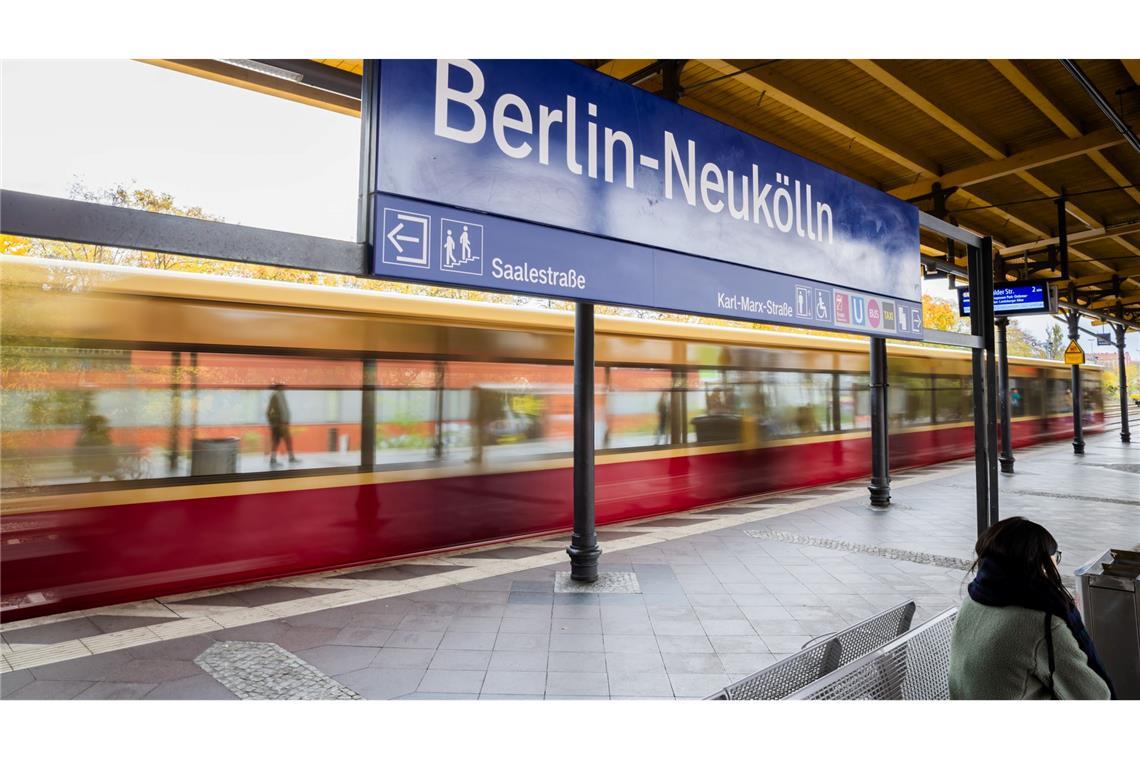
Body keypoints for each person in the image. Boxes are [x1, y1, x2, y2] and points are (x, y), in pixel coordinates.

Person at [949, 516, 1114, 700]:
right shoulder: (1042, 624)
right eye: (1056, 557)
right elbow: (1095, 697)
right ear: (1041, 564)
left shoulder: (973, 600)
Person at [266, 382, 299, 467]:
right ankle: (273, 460)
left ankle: (291, 458)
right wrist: (273, 423)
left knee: (288, 440)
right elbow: (269, 411)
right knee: (276, 441)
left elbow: (284, 410)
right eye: (282, 386)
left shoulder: (282, 396)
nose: (284, 387)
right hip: (278, 424)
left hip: (284, 424)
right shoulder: (275, 396)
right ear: (279, 387)